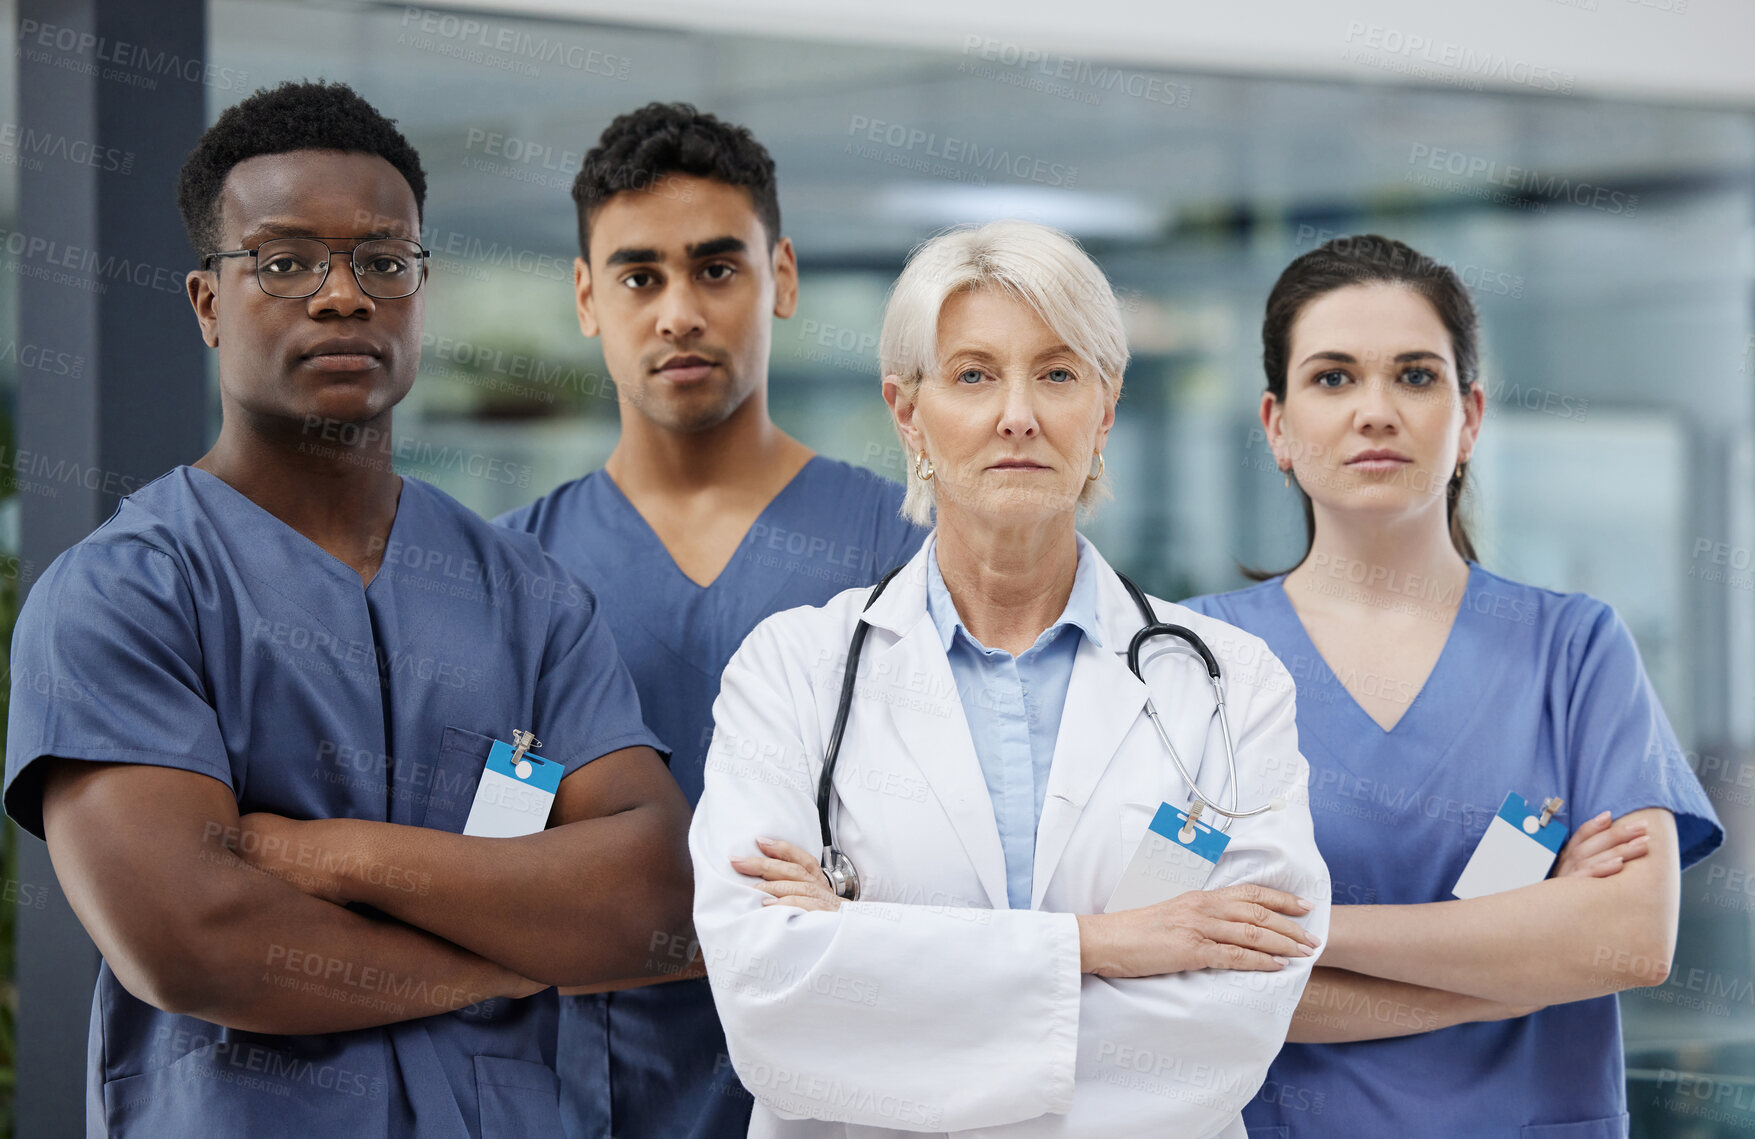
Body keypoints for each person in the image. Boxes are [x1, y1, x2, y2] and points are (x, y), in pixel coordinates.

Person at [3, 80, 693, 1137]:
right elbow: (194, 938)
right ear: (205, 302)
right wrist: (512, 954)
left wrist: (320, 854)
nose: (342, 296)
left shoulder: (528, 597)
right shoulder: (123, 596)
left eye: (384, 261)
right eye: (284, 262)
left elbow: (648, 900)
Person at [690, 220, 1329, 1138]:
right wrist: (1105, 948)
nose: (1017, 413)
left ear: (1104, 408)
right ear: (907, 412)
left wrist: (870, 952)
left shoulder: (1230, 683)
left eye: (1058, 373)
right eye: (973, 374)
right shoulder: (790, 671)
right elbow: (771, 1003)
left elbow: (1228, 1025)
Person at [1181, 233, 1723, 1138]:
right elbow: (1175, 970)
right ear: (1276, 426)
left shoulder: (1573, 649)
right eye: (1332, 377)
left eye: (1415, 375)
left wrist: (1296, 934)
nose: (1375, 410)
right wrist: (1517, 959)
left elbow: (1630, 938)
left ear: (1469, 418)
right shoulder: (1198, 658)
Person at [495, 103, 926, 1139]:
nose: (678, 310)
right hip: (583, 1082)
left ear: (780, 278)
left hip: (845, 1071)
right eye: (640, 276)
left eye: (716, 268)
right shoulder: (511, 569)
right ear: (589, 297)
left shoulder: (902, 545)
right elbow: (494, 856)